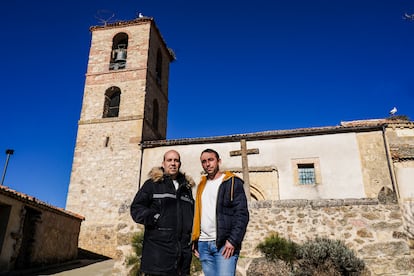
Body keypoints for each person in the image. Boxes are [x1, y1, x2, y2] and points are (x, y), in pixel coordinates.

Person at [130, 150, 195, 276]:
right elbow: (136, 208)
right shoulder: (152, 184)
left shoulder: (186, 189)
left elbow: (191, 215)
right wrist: (156, 218)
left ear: (180, 164)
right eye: (169, 160)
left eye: (176, 160)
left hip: (182, 256)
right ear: (163, 163)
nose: (173, 163)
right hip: (158, 255)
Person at [192, 148, 249, 276]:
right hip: (203, 244)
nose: (207, 164)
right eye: (204, 161)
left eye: (211, 160)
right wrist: (195, 240)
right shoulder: (201, 185)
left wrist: (233, 240)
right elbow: (198, 214)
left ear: (219, 161)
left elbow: (242, 214)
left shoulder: (233, 182)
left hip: (224, 245)